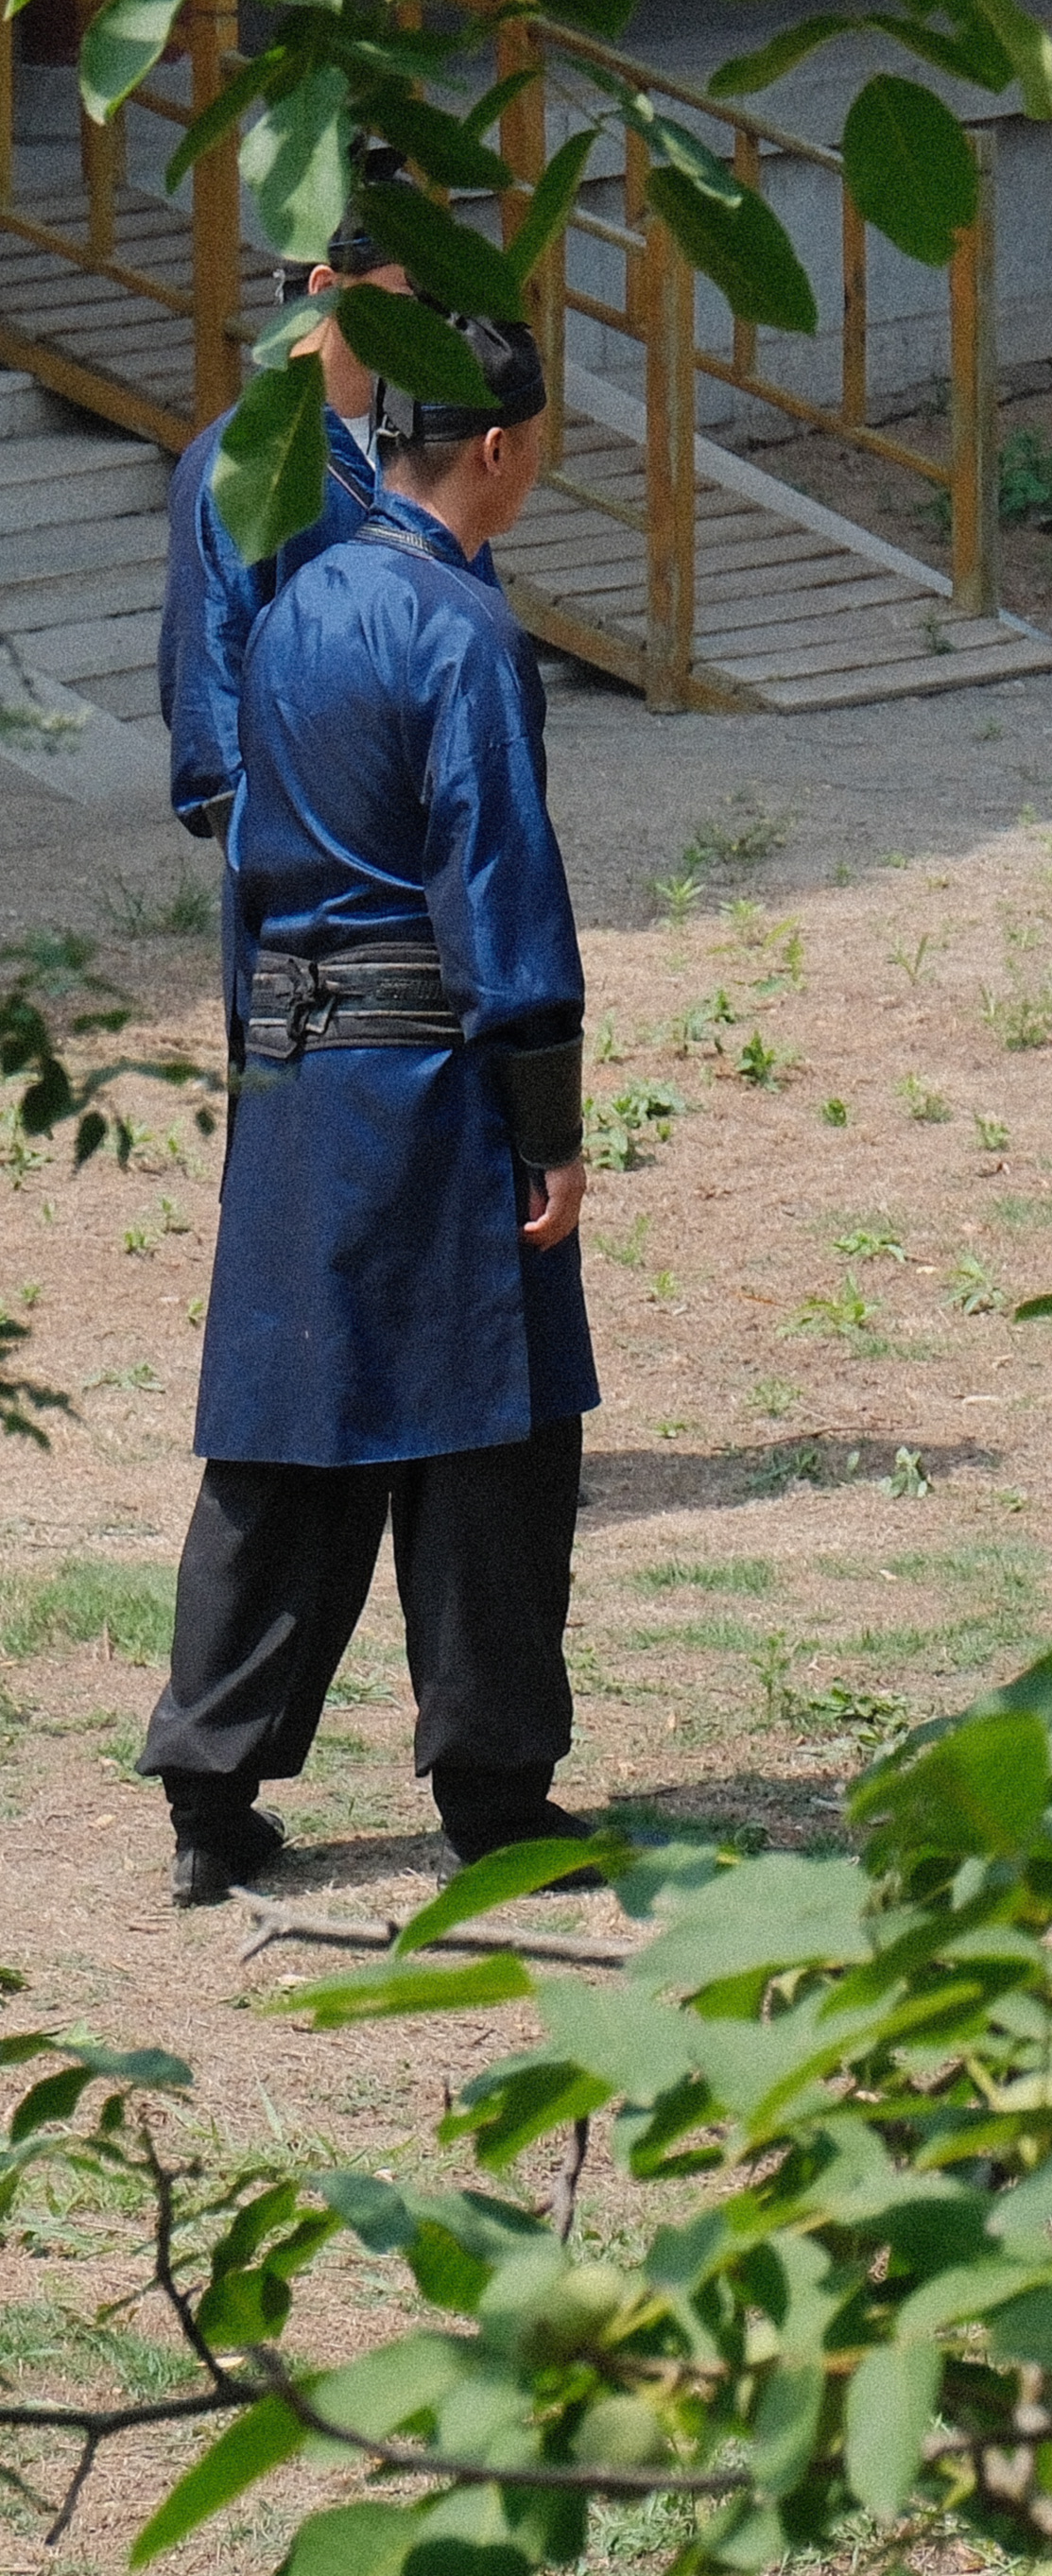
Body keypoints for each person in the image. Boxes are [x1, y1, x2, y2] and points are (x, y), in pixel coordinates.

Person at [141, 308, 599, 1910]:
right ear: (502, 449)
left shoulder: (297, 604)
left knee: (288, 1437)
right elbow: (496, 884)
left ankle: (210, 1795)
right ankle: (492, 1791)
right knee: (496, 1436)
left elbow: (245, 835)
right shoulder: (462, 632)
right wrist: (548, 1115)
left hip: (296, 1070)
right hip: (436, 1082)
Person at [159, 149, 410, 1049]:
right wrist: (274, 867)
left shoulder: (421, 449)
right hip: (304, 873)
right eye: (402, 297)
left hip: (422, 845)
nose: (422, 324)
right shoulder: (240, 463)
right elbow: (209, 692)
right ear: (323, 287)